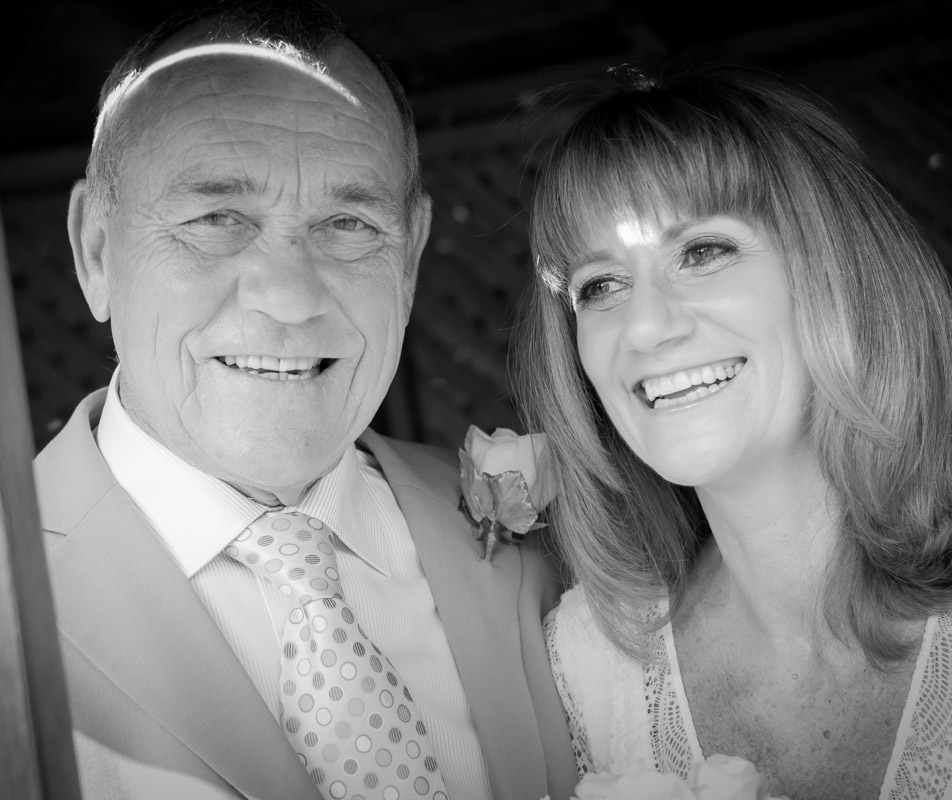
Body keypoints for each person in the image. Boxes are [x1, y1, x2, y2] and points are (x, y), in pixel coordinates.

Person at [34, 3, 577, 799]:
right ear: (95, 251)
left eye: (348, 224)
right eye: (217, 217)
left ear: (410, 260)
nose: (289, 296)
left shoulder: (557, 545)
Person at [517, 64, 952, 800]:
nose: (644, 327)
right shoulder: (588, 668)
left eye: (702, 252)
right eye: (600, 286)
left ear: (838, 271)